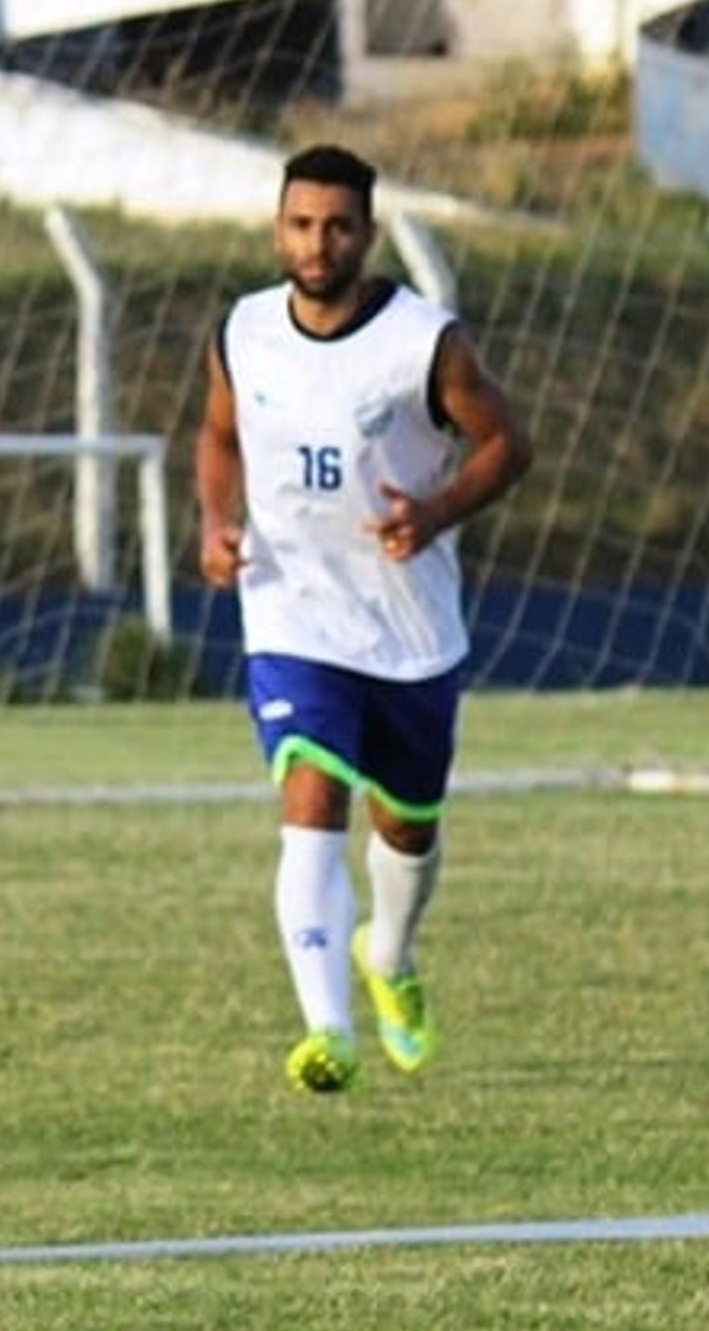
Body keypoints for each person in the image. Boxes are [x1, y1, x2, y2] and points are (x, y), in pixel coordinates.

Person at [194, 143, 531, 1092]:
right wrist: (217, 522)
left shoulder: (425, 343)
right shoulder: (244, 330)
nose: (318, 243)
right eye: (301, 224)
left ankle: (389, 954)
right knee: (309, 797)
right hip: (292, 613)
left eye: (338, 226)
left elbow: (509, 443)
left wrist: (435, 513)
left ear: (367, 235)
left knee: (409, 826)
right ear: (278, 227)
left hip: (409, 629)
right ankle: (327, 1030)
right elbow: (219, 436)